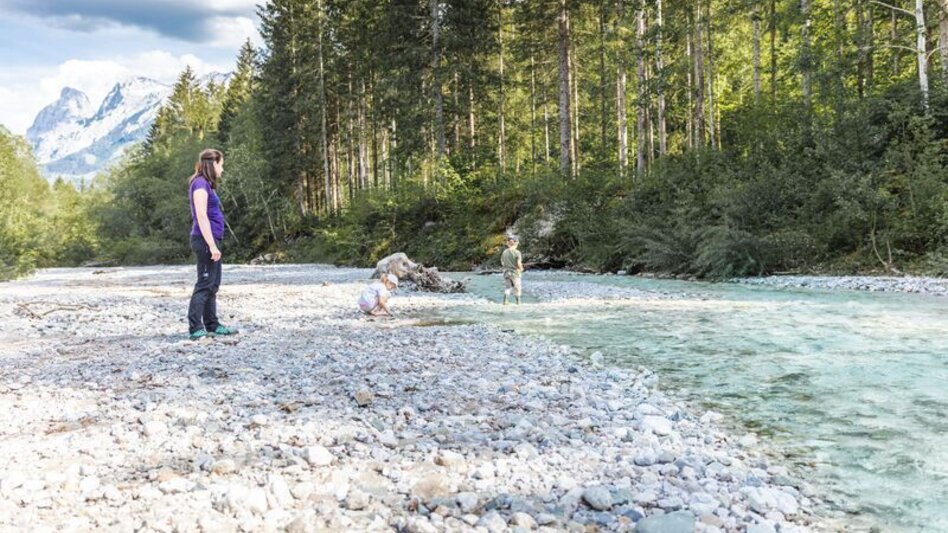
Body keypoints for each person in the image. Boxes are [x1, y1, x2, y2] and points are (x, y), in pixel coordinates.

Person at [187, 148, 237, 340]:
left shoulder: (206, 184)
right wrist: (212, 245)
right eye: (221, 165)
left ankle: (212, 324)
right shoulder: (199, 184)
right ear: (213, 163)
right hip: (204, 239)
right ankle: (195, 327)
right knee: (205, 283)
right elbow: (201, 215)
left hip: (212, 239)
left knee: (213, 284)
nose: (222, 169)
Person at [501, 235, 524, 305]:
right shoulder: (517, 252)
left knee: (508, 287)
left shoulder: (504, 252)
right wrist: (521, 268)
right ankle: (518, 302)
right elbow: (518, 263)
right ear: (516, 243)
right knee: (517, 288)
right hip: (515, 273)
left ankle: (505, 301)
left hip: (506, 272)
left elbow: (502, 262)